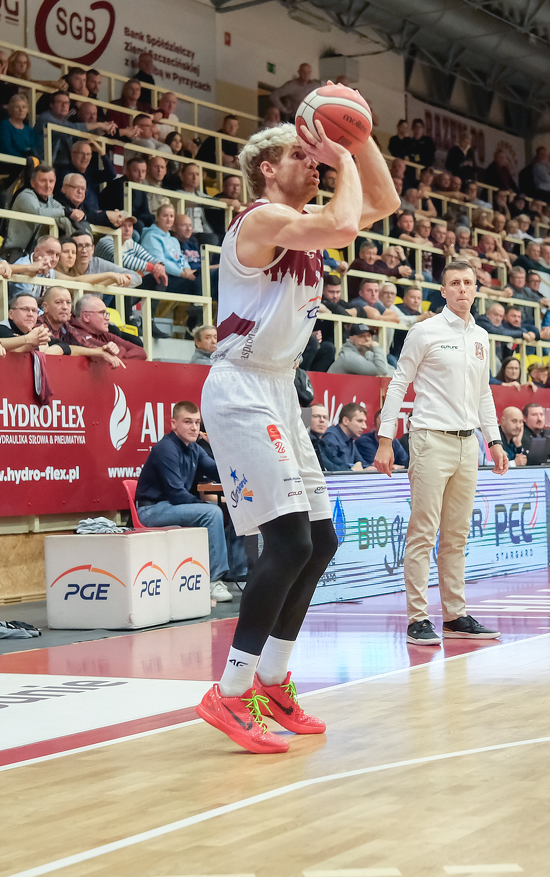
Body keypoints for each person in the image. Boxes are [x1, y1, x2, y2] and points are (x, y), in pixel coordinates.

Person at [196, 113, 398, 753]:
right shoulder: (260, 220)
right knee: (286, 542)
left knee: (320, 541)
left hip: (280, 387)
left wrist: (359, 142)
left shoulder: (307, 224)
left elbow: (384, 202)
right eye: (300, 155)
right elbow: (345, 224)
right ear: (266, 167)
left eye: (316, 157)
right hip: (241, 386)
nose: (313, 163)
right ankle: (230, 692)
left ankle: (273, 681)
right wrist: (339, 153)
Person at [374, 259, 509, 645]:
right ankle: (418, 618)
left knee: (457, 535)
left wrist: (494, 440)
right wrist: (385, 439)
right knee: (423, 531)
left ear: (476, 289)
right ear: (444, 291)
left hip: (469, 444)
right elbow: (398, 383)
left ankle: (455, 615)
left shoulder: (481, 336)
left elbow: (484, 393)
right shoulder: (424, 331)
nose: (463, 288)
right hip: (430, 439)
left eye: (468, 282)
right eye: (455, 283)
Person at [135, 401, 238, 603]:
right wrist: (204, 507)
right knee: (212, 512)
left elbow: (218, 471)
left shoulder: (194, 448)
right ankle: (214, 581)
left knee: (220, 510)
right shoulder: (166, 448)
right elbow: (177, 494)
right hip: (152, 510)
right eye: (188, 422)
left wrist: (233, 463)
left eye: (197, 422)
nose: (194, 427)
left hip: (171, 507)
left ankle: (211, 575)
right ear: (174, 424)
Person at [321, 403, 372, 472]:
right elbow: (333, 469)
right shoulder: (330, 437)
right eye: (360, 421)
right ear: (345, 421)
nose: (364, 426)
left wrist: (371, 469)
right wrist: (352, 470)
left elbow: (361, 463)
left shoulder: (350, 439)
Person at [330, 324, 395, 377]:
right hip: (332, 388)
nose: (367, 339)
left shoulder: (368, 354)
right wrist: (376, 346)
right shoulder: (348, 356)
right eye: (361, 336)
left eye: (369, 336)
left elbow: (392, 372)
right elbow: (381, 370)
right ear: (351, 339)